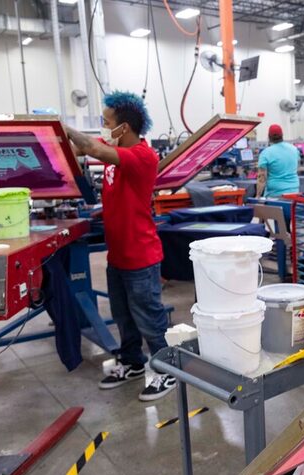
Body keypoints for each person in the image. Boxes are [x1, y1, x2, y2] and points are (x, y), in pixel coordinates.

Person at [66, 91, 176, 402]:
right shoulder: (115, 155)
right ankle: (133, 363)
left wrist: (58, 126)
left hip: (140, 255)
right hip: (118, 255)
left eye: (105, 122)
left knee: (149, 317)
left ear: (123, 127)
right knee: (123, 316)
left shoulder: (142, 156)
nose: (102, 126)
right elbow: (79, 150)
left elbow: (88, 147)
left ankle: (168, 370)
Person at [256, 124, 300, 197]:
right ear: (282, 135)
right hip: (294, 192)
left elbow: (262, 178)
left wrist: (257, 196)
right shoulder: (294, 149)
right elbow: (296, 168)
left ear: (269, 137)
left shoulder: (266, 153)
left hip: (275, 194)